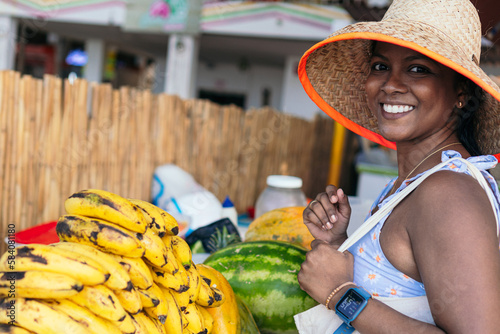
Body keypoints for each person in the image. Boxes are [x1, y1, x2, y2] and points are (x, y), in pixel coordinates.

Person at [296, 0, 500, 332]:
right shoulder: (416, 182)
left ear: (461, 91)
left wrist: (342, 295)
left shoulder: (448, 194)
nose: (391, 84)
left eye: (418, 69)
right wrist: (339, 245)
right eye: (380, 66)